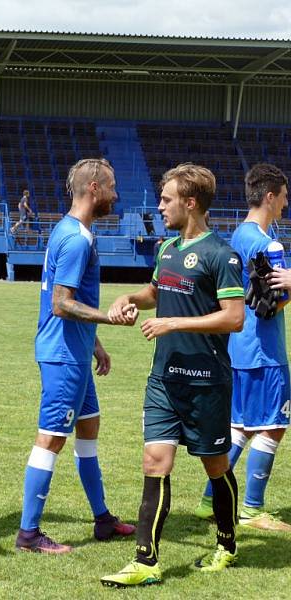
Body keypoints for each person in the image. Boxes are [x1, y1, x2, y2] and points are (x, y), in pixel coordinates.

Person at [101, 163, 244, 587]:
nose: (160, 205)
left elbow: (234, 317)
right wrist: (128, 297)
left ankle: (227, 543)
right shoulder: (166, 249)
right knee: (155, 461)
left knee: (215, 466)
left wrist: (173, 324)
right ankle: (146, 563)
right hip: (165, 379)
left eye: (166, 199)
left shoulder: (222, 254)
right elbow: (154, 293)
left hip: (207, 383)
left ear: (190, 202)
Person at [15, 158, 136, 554]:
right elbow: (61, 304)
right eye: (113, 186)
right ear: (95, 188)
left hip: (77, 352)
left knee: (89, 429)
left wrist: (96, 341)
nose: (117, 195)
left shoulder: (71, 231)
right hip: (63, 355)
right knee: (51, 438)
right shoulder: (78, 238)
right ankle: (28, 534)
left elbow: (73, 300)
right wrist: (110, 318)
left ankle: (102, 519)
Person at [193, 164, 291, 531]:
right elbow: (270, 305)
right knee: (273, 426)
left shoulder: (237, 236)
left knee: (240, 427)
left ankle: (209, 499)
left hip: (236, 348)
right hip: (265, 352)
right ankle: (251, 508)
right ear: (270, 196)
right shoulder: (269, 245)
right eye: (283, 197)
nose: (284, 204)